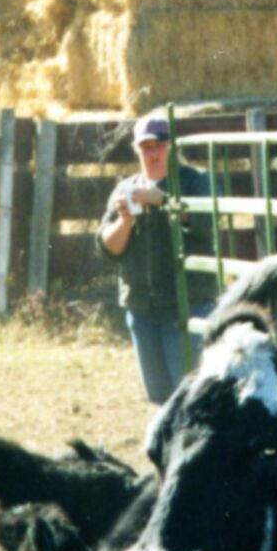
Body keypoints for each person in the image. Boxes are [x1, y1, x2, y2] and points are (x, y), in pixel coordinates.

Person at [98, 114, 219, 403]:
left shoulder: (195, 180)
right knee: (159, 398)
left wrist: (162, 200)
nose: (153, 154)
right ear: (136, 150)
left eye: (159, 146)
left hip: (187, 307)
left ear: (171, 146)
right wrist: (125, 221)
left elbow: (205, 223)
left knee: (190, 397)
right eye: (146, 147)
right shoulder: (124, 189)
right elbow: (108, 247)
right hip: (141, 309)